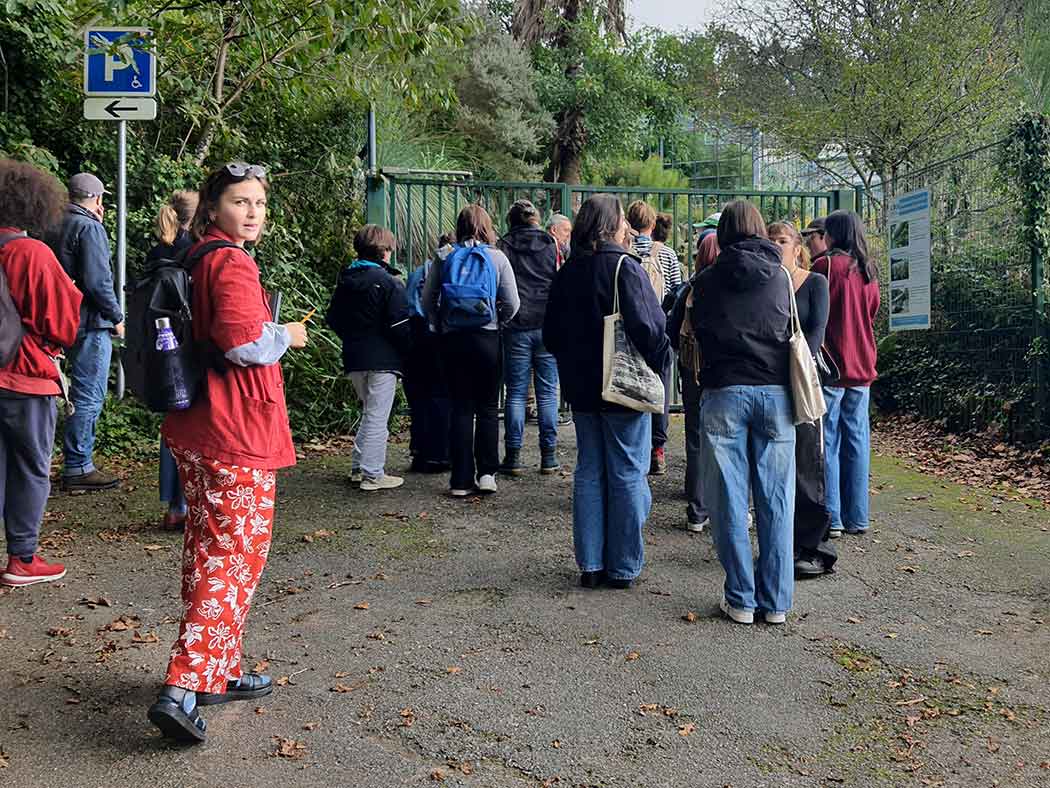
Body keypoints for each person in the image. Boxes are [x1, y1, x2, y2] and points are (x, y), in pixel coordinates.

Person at [147, 162, 309, 743]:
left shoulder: (198, 255)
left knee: (208, 549)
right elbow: (243, 344)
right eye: (241, 202)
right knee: (234, 558)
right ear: (214, 208)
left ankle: (220, 666)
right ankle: (184, 683)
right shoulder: (232, 263)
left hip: (198, 426)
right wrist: (285, 335)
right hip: (232, 429)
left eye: (259, 204)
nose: (253, 212)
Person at [544, 194, 669, 590]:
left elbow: (550, 335)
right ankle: (624, 566)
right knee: (628, 472)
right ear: (612, 225)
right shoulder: (623, 268)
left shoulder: (567, 272)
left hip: (581, 389)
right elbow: (650, 329)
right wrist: (660, 360)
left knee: (589, 471)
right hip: (623, 387)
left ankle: (592, 563)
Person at [691, 200, 795, 625]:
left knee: (729, 499)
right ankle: (777, 602)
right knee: (776, 499)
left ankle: (741, 598)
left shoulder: (707, 280)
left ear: (725, 233)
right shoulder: (782, 277)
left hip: (724, 392)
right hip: (775, 393)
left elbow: (696, 330)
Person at [0, 160, 83, 587]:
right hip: (26, 377)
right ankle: (23, 558)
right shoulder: (31, 253)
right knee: (31, 466)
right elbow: (62, 326)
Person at [423, 205, 519, 497]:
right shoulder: (498, 257)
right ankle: (487, 473)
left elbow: (427, 300)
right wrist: (498, 321)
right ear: (488, 227)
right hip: (487, 339)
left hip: (454, 339)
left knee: (461, 407)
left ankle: (461, 480)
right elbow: (513, 303)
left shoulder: (445, 257)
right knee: (488, 407)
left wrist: (440, 323)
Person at [48, 172, 124, 492]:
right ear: (97, 199)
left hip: (58, 319)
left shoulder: (50, 224)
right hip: (90, 320)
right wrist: (116, 316)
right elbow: (97, 282)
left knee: (59, 392)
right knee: (88, 393)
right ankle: (78, 466)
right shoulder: (89, 227)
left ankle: (64, 461)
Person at [767, 222, 836, 577]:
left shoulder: (815, 283)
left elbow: (817, 330)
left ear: (797, 247)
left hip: (804, 381)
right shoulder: (765, 283)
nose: (776, 246)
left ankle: (813, 547)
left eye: (782, 241)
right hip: (769, 382)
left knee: (809, 463)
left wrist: (797, 365)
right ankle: (781, 542)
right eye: (771, 241)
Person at [326, 224, 411, 491]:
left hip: (353, 356)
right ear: (384, 251)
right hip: (383, 360)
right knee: (377, 416)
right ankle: (372, 474)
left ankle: (357, 466)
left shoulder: (346, 281)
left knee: (369, 413)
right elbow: (400, 326)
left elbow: (333, 319)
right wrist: (410, 350)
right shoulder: (389, 282)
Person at [811, 210, 880, 538]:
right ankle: (858, 517)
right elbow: (872, 312)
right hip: (863, 366)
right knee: (858, 442)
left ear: (833, 233)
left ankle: (833, 518)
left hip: (832, 366)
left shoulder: (825, 266)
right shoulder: (869, 270)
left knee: (830, 441)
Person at [146, 190, 199, 529]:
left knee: (173, 425)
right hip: (190, 344)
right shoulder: (193, 253)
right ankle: (190, 504)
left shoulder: (157, 252)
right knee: (194, 422)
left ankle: (175, 505)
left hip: (161, 344)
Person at [497, 200, 561, 476]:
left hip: (516, 325)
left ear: (512, 220)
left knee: (516, 393)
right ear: (536, 219)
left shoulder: (504, 245)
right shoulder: (551, 243)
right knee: (548, 393)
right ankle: (549, 456)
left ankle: (513, 456)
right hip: (546, 322)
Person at [666, 231, 720, 534]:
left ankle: (697, 507)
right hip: (725, 371)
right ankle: (726, 504)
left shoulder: (691, 288)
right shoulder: (731, 285)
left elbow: (672, 331)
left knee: (696, 436)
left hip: (693, 370)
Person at [626, 200, 674, 476]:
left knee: (631, 386)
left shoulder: (625, 252)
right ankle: (658, 449)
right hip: (660, 331)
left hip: (631, 332)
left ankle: (636, 446)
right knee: (662, 390)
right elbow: (676, 290)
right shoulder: (665, 254)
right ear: (652, 224)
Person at [403, 233, 453, 474]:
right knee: (442, 396)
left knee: (419, 397)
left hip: (417, 336)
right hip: (444, 336)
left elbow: (410, 305)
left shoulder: (419, 271)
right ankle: (441, 454)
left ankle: (420, 451)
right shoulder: (453, 270)